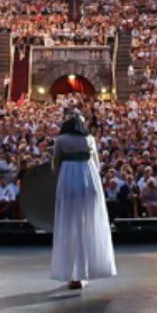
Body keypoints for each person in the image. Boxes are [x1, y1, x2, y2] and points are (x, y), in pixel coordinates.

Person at [50, 112, 117, 290]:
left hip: (68, 180)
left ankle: (73, 274)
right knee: (86, 224)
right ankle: (85, 271)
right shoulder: (89, 139)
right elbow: (96, 163)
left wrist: (59, 182)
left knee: (69, 225)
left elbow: (55, 163)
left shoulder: (61, 140)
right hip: (87, 179)